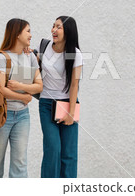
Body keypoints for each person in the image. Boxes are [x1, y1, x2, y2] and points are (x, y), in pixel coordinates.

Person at [0, 18, 43, 178]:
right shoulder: (3, 57)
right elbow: (0, 89)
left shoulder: (29, 57)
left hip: (22, 117)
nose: (31, 34)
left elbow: (39, 85)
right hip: (2, 115)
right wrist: (23, 98)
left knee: (20, 165)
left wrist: (20, 87)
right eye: (28, 31)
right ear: (17, 34)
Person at [36, 16, 83, 178]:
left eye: (58, 27)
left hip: (68, 104)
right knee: (53, 149)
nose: (53, 30)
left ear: (68, 31)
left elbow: (75, 85)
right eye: (53, 26)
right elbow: (33, 69)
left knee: (69, 154)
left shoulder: (75, 54)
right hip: (47, 104)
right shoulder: (44, 47)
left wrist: (71, 112)